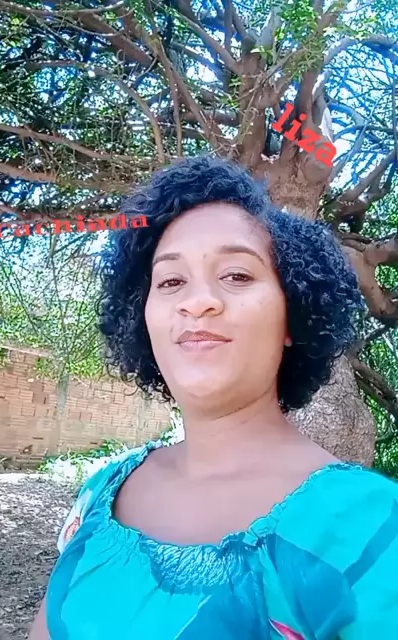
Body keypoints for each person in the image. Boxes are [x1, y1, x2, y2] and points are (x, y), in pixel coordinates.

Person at [30, 156, 398, 639]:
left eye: (237, 276)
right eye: (171, 281)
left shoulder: (374, 528)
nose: (197, 300)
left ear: (292, 315)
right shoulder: (100, 493)